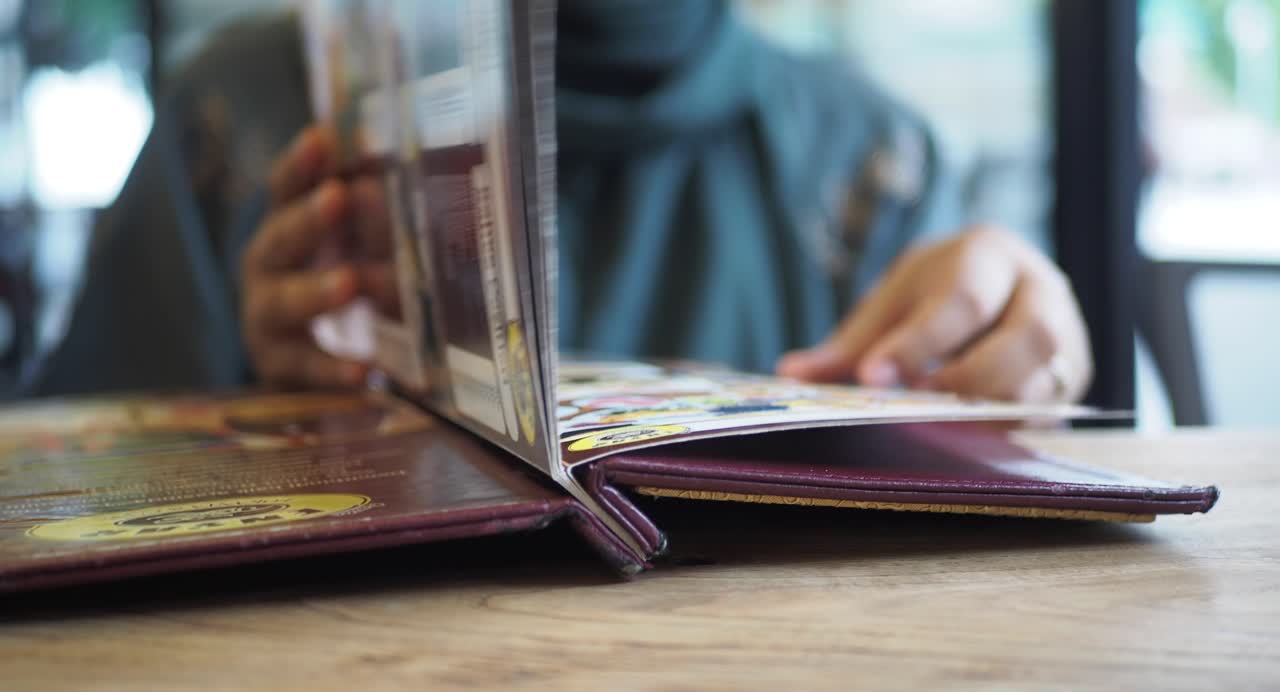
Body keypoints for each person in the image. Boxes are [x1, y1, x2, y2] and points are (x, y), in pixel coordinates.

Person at [30, 1, 1092, 404]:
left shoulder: (873, 159)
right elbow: (68, 487)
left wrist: (1010, 328)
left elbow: (966, 417)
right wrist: (246, 404)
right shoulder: (242, 121)